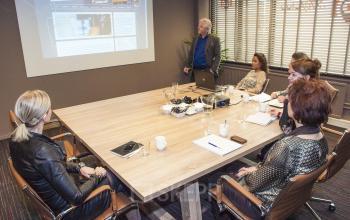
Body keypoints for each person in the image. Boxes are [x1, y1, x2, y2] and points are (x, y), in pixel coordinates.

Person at [9, 90, 131, 220]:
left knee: (92, 159)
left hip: (57, 194)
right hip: (72, 211)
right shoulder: (42, 151)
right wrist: (97, 175)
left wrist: (79, 168)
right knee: (117, 175)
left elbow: (53, 165)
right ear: (44, 116)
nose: (51, 109)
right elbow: (76, 197)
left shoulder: (17, 137)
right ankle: (132, 206)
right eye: (49, 108)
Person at [219, 79, 331, 218]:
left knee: (215, 177)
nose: (286, 102)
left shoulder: (286, 146)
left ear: (297, 108)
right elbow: (283, 168)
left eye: (289, 100)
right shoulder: (321, 137)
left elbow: (254, 184)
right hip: (288, 200)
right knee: (244, 167)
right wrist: (258, 168)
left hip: (262, 204)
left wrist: (249, 172)